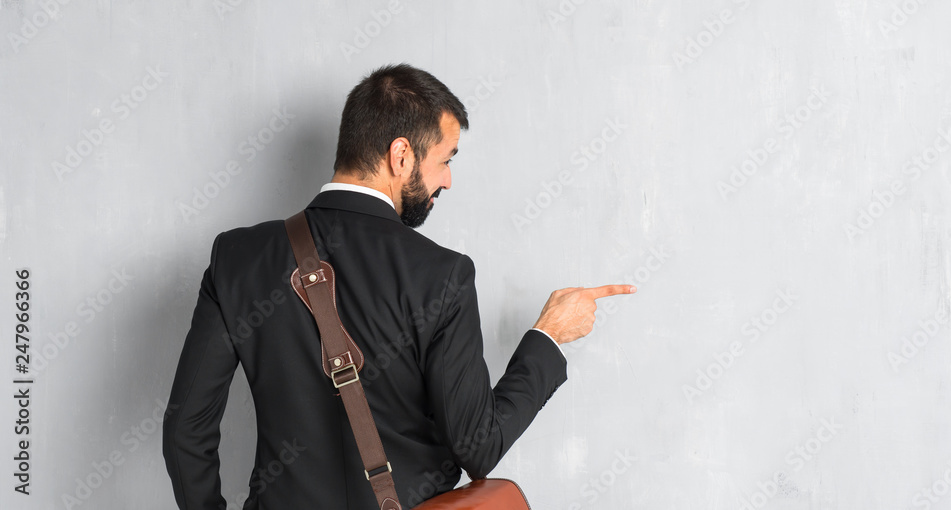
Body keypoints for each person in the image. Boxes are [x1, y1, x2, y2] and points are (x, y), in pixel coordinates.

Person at [162, 63, 636, 509]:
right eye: (445, 159)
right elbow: (478, 446)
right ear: (402, 155)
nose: (447, 180)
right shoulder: (443, 274)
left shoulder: (237, 257)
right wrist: (548, 336)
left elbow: (186, 431)